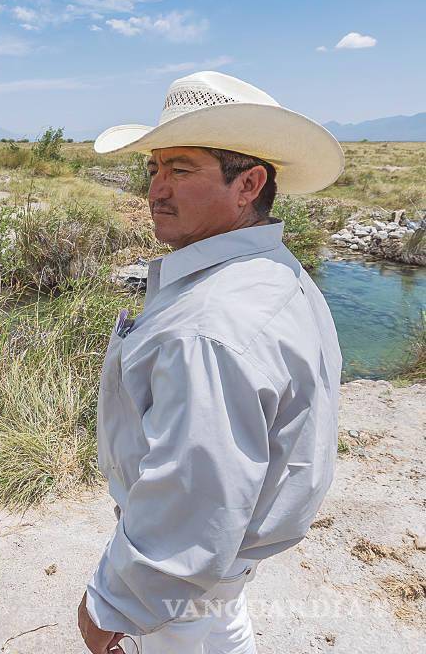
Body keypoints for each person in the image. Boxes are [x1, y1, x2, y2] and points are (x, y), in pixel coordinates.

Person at [75, 71, 344, 654]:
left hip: (187, 585)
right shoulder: (272, 275)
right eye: (154, 168)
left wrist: (114, 602)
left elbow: (196, 495)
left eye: (182, 169)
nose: (156, 190)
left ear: (248, 183)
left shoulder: (213, 323)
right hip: (219, 572)